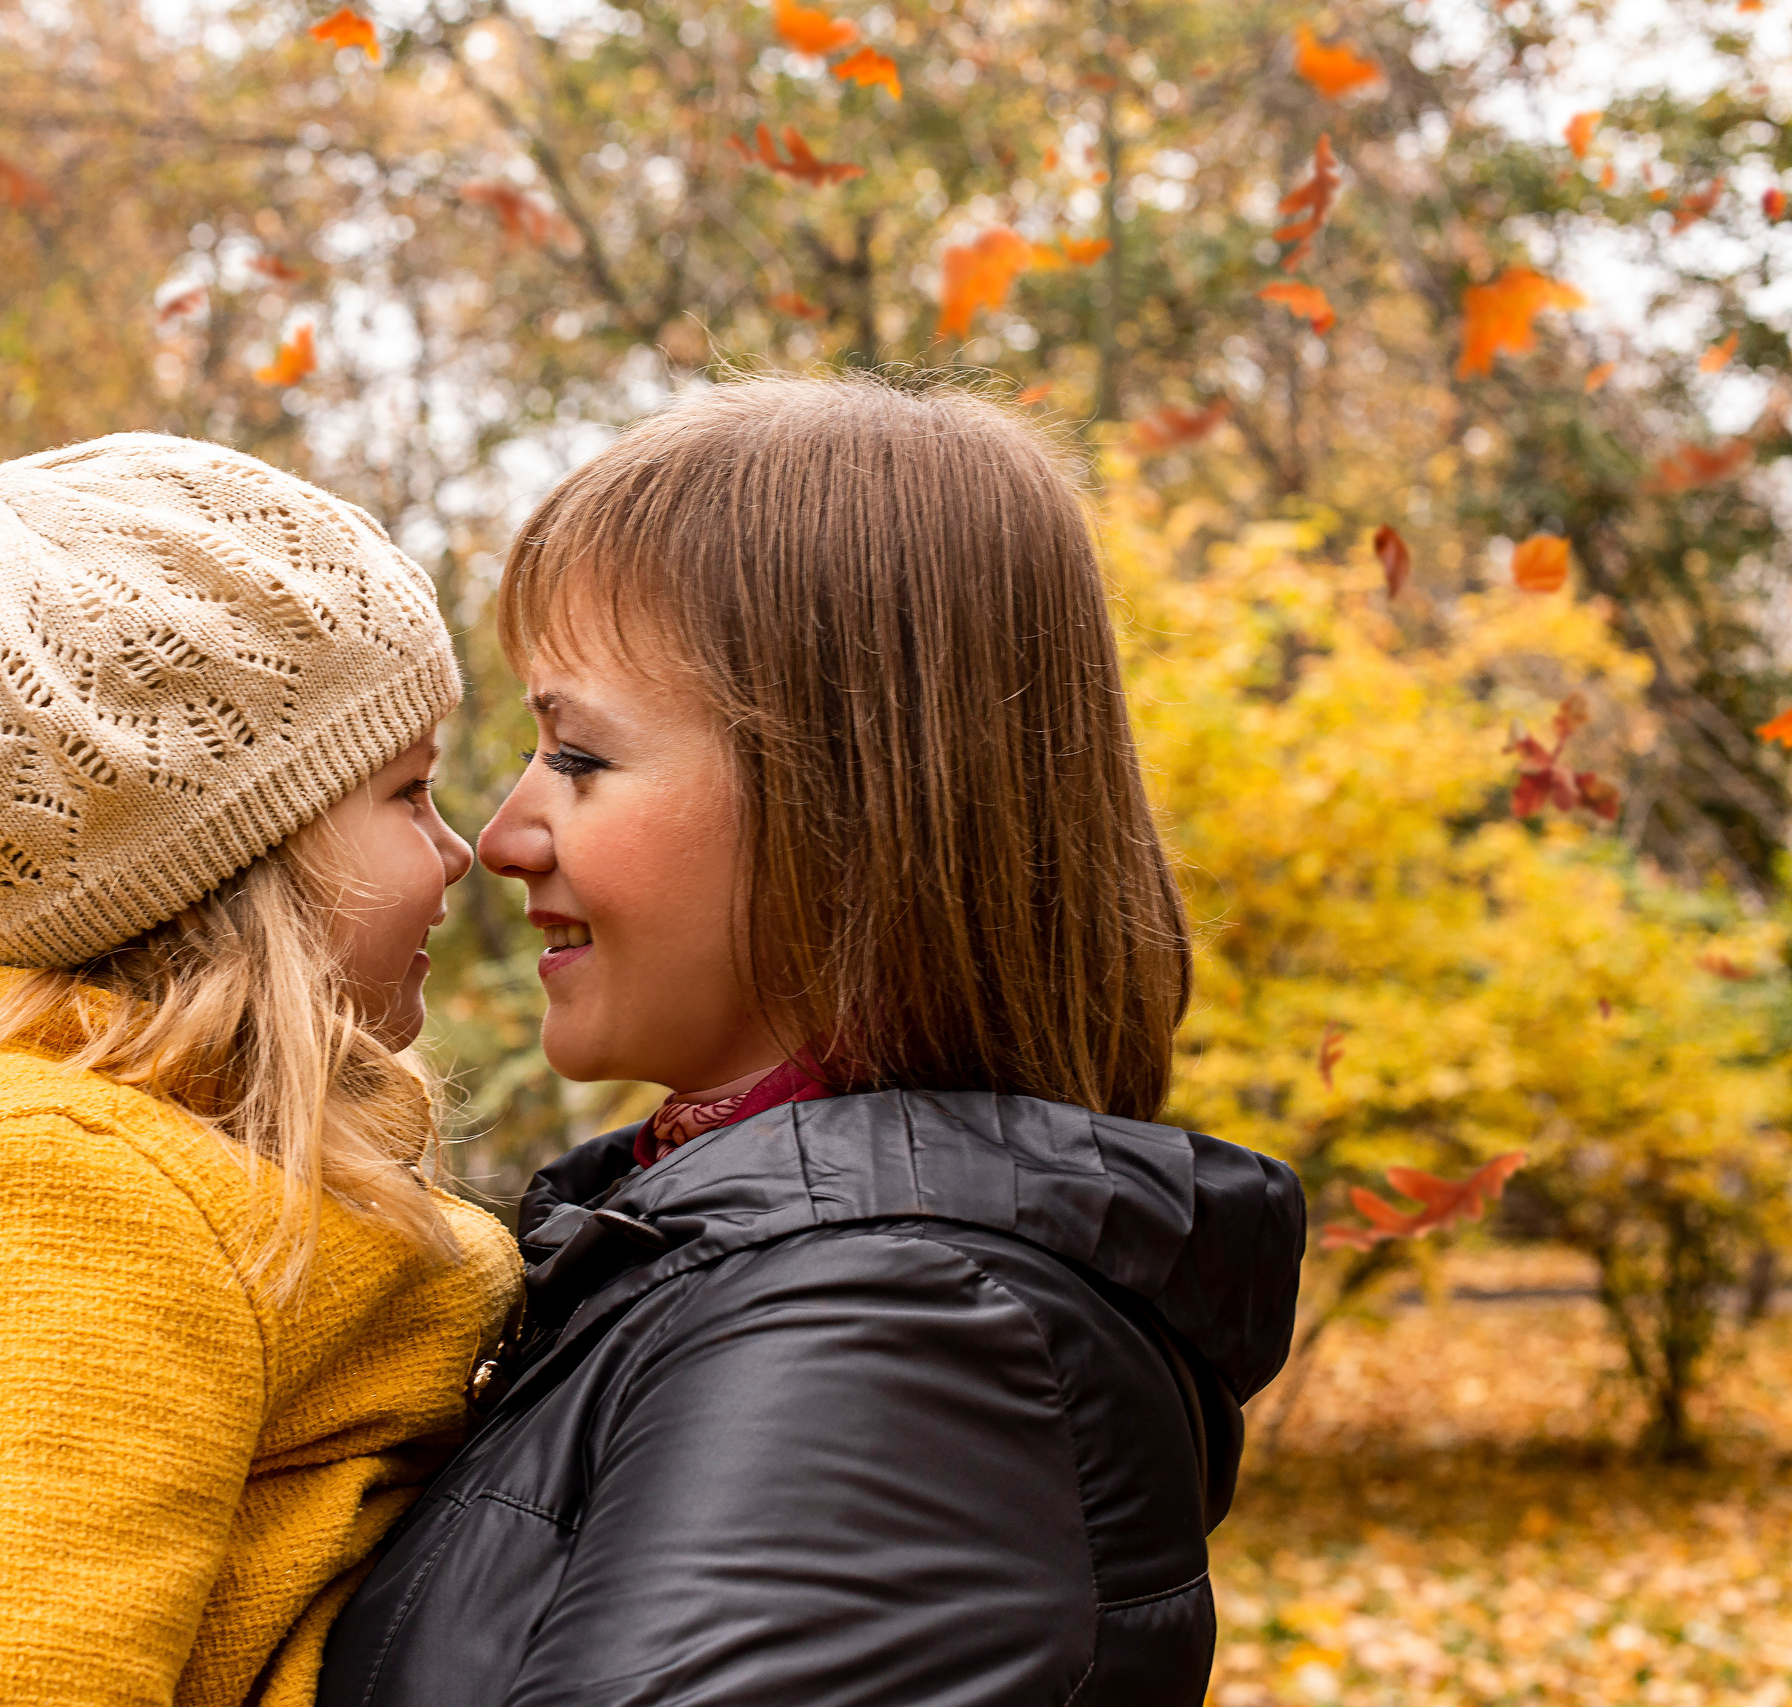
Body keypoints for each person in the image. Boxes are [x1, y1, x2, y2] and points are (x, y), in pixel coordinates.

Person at [316, 376, 1307, 1707]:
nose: (499, 836)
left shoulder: (896, 1338)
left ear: (851, 806)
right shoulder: (714, 1261)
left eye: (581, 755)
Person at [0, 435, 522, 1707]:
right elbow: (29, 1676)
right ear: (247, 867)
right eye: (408, 792)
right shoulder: (60, 1194)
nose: (463, 851)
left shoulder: (197, 1155)